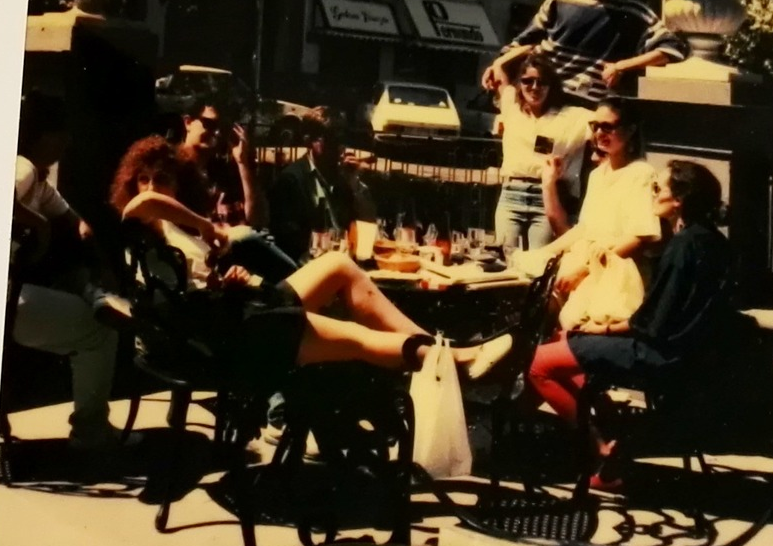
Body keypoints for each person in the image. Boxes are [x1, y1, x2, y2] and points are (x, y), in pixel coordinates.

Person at [109, 137, 512, 388]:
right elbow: (143, 205)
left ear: (178, 184)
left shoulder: (176, 233)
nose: (151, 188)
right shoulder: (140, 223)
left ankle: (440, 347)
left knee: (339, 264)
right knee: (356, 338)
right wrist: (206, 226)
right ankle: (456, 364)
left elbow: (193, 290)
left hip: (235, 311)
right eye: (143, 180)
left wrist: (226, 279)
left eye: (162, 180)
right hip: (231, 334)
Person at [528, 160, 734, 488]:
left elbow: (653, 325)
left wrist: (602, 329)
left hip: (661, 355)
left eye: (659, 189)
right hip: (689, 353)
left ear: (678, 200)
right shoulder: (711, 241)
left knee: (538, 363)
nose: (653, 194)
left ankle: (600, 448)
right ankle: (610, 428)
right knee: (562, 339)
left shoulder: (682, 247)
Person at [10, 93, 127, 451]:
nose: (67, 141)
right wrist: (42, 227)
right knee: (99, 331)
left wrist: (100, 268)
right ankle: (90, 430)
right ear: (42, 135)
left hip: (7, 296)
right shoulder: (22, 167)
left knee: (87, 300)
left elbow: (81, 227)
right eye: (60, 132)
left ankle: (97, 295)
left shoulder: (40, 182)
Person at [482, 0, 688, 107]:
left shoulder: (635, 11)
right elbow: (529, 38)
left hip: (589, 107)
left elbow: (672, 50)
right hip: (546, 99)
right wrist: (497, 64)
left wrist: (621, 66)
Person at [527, 95, 661, 300]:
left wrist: (584, 271)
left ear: (630, 129)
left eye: (607, 127)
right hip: (586, 268)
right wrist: (542, 254)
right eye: (595, 126)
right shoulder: (597, 175)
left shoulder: (641, 174)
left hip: (618, 277)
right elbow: (584, 229)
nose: (599, 133)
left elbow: (638, 238)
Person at [179, 97, 297, 283]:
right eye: (209, 124)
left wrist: (242, 163)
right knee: (243, 236)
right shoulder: (172, 167)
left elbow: (258, 221)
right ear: (188, 122)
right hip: (204, 259)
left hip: (242, 263)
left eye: (222, 128)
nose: (217, 133)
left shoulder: (223, 171)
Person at [489, 49, 592, 250]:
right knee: (505, 259)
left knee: (539, 263)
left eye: (542, 82)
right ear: (519, 83)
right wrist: (529, 47)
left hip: (547, 199)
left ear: (551, 86)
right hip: (511, 195)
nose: (535, 87)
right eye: (528, 81)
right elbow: (499, 67)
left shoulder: (571, 116)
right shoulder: (511, 105)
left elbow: (605, 120)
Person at [269, 107, 376, 263]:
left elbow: (367, 222)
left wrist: (354, 181)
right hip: (307, 264)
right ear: (308, 141)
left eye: (341, 139)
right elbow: (287, 239)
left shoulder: (342, 177)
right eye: (331, 139)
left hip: (344, 261)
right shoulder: (291, 180)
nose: (339, 147)